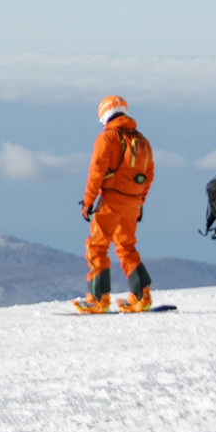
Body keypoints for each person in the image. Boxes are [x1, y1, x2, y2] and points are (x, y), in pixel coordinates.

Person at [74, 95, 156, 313]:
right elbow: (148, 175)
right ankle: (142, 296)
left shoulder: (107, 138)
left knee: (96, 247)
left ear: (104, 115)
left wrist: (88, 203)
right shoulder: (143, 141)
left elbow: (96, 173)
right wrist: (140, 203)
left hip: (110, 201)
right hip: (133, 203)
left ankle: (98, 298)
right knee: (126, 247)